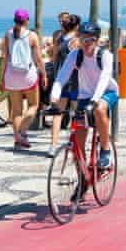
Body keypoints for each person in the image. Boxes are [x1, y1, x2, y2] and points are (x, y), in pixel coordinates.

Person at [49, 21, 118, 168]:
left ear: (97, 40)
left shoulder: (105, 55)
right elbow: (61, 78)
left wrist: (94, 101)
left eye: (90, 39)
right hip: (85, 96)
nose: (86, 43)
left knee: (99, 109)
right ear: (78, 39)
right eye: (82, 39)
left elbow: (104, 79)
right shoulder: (75, 55)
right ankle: (82, 177)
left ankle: (105, 150)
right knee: (78, 144)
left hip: (107, 92)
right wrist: (54, 99)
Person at [0, 9, 47, 150]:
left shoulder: (7, 34)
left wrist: (1, 78)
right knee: (33, 105)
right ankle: (21, 132)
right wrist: (44, 75)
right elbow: (38, 58)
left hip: (11, 76)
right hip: (28, 76)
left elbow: (4, 58)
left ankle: (18, 140)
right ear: (26, 21)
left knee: (16, 111)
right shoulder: (32, 35)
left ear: (14, 20)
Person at [49, 14, 81, 153]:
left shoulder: (59, 39)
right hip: (75, 81)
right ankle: (77, 143)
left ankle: (53, 145)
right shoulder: (76, 41)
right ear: (77, 26)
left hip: (61, 81)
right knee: (78, 114)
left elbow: (54, 59)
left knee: (58, 114)